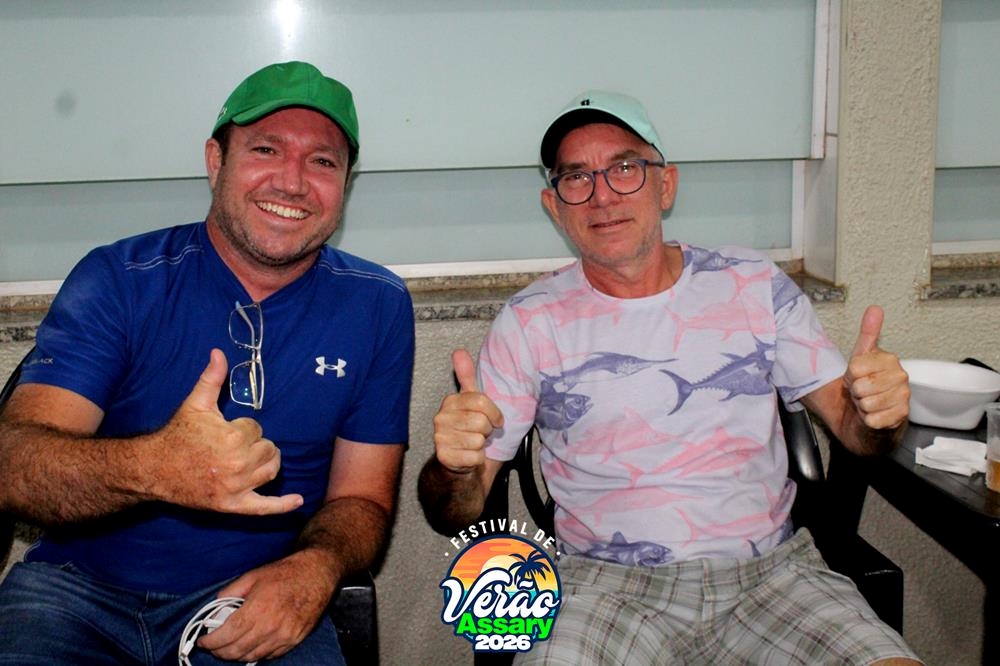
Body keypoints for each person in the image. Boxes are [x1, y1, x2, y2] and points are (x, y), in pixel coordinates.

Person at [419, 91, 922, 665]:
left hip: (773, 577)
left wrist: (878, 414)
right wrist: (454, 468)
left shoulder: (753, 283)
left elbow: (858, 434)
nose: (602, 195)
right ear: (554, 206)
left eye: (625, 169)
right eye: (576, 177)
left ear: (666, 185)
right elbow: (455, 510)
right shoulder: (529, 322)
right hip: (600, 588)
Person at [0, 61, 414, 665]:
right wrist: (157, 467)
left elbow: (364, 500)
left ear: (345, 185)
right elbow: (14, 464)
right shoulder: (120, 279)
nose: (293, 182)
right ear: (216, 161)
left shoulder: (377, 304)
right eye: (266, 149)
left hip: (253, 598)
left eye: (323, 162)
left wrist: (315, 567)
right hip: (74, 594)